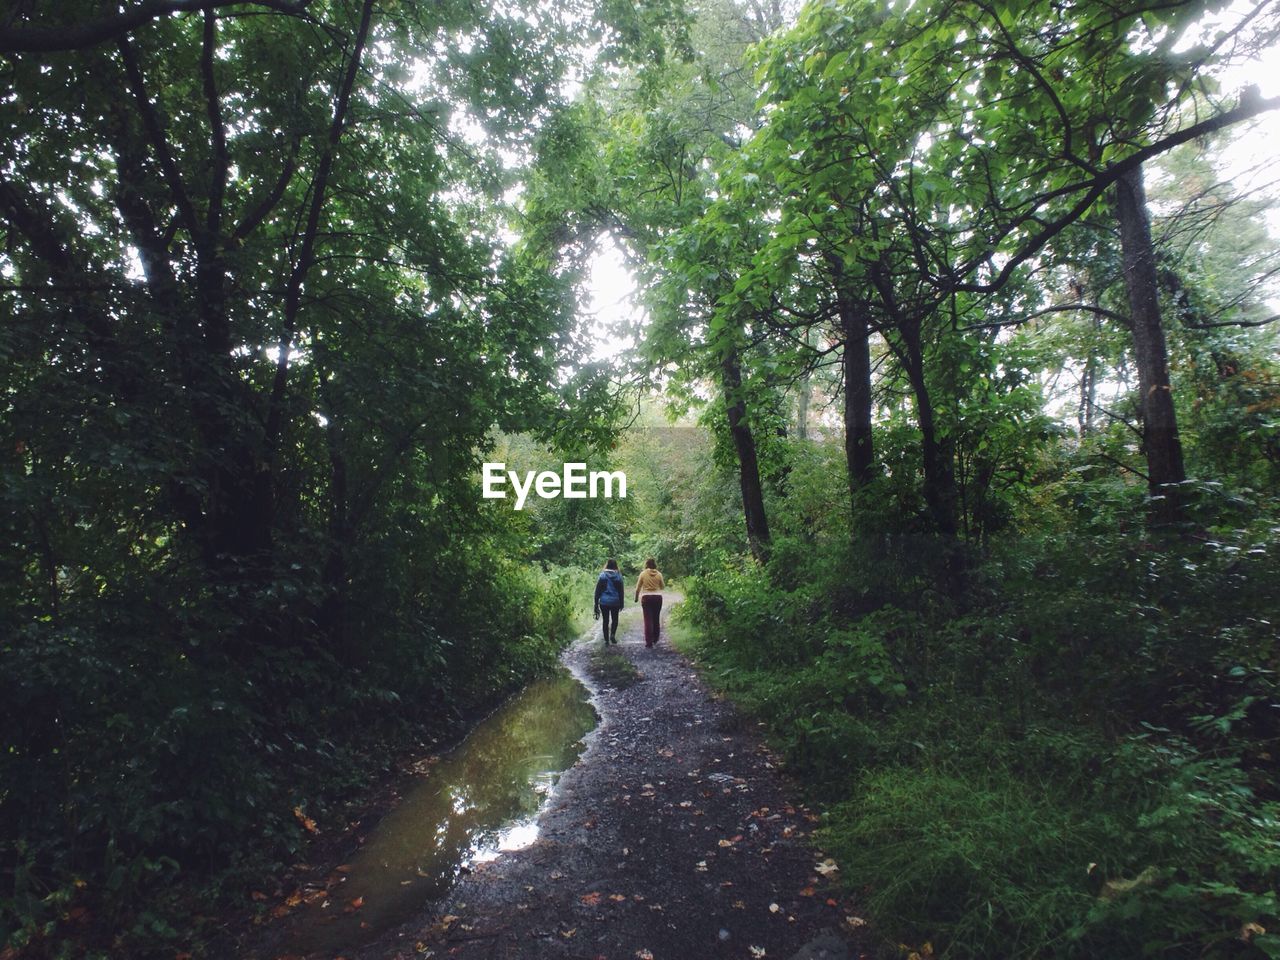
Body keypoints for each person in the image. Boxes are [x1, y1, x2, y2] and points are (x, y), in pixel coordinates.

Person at [634, 557, 665, 648]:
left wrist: (636, 598)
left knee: (648, 620)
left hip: (646, 598)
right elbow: (662, 586)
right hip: (657, 597)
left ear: (646, 564)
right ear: (655, 564)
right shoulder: (659, 574)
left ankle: (649, 642)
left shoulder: (643, 574)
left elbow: (638, 588)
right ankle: (655, 638)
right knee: (656, 618)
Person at [593, 559, 624, 645]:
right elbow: (621, 591)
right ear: (615, 566)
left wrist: (596, 604)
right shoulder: (618, 576)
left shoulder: (602, 576)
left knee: (605, 621)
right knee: (615, 619)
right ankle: (612, 635)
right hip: (615, 601)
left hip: (604, 602)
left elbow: (597, 591)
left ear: (607, 565)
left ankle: (606, 640)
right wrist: (622, 603)